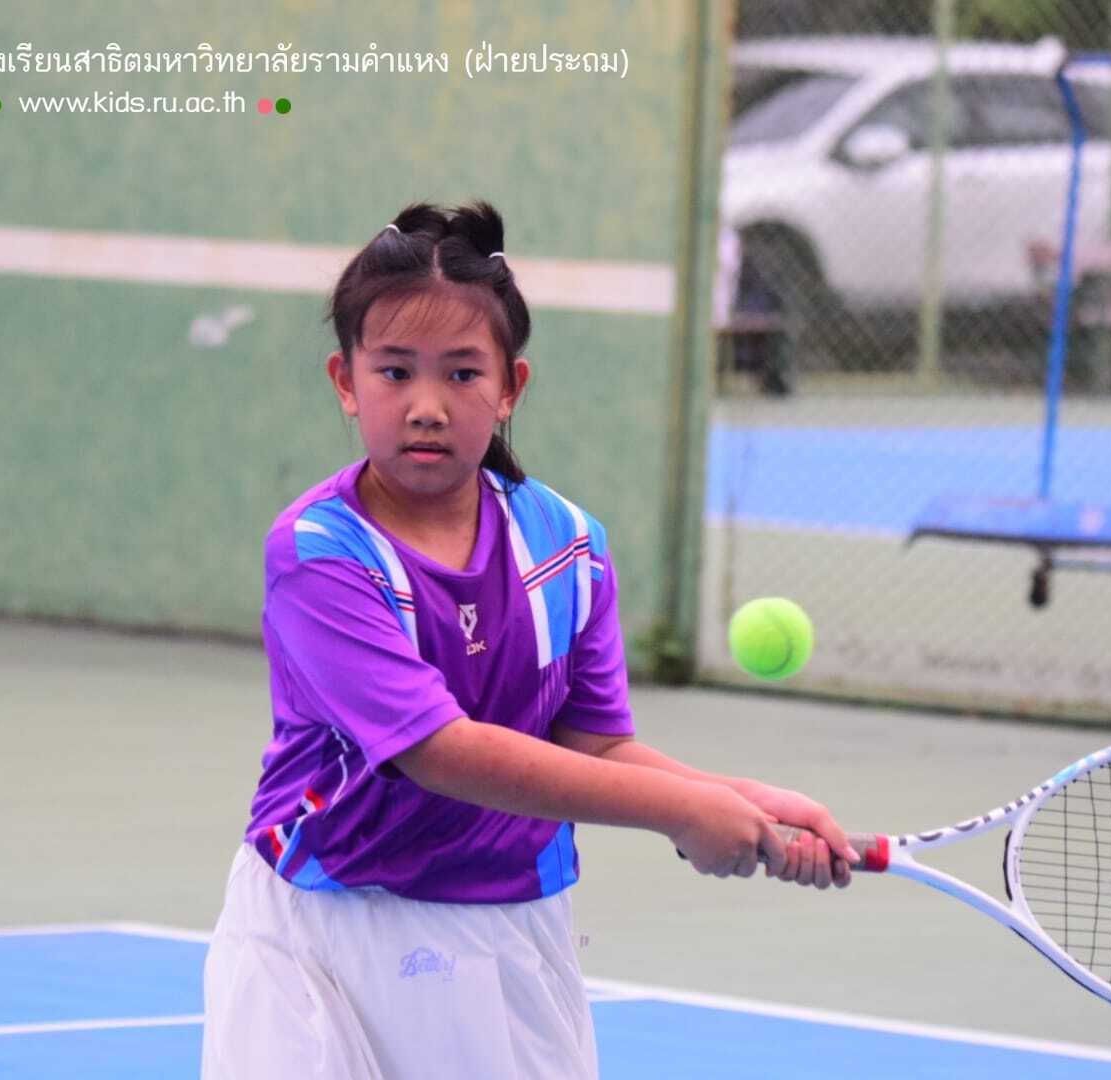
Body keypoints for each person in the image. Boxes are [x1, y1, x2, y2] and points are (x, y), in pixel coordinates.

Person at [200, 202, 861, 1079]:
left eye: (462, 373)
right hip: (320, 935)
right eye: (394, 371)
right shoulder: (319, 553)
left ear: (510, 386)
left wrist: (737, 796)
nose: (426, 407)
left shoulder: (567, 545)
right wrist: (682, 812)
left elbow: (595, 743)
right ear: (345, 381)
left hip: (511, 937)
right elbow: (440, 752)